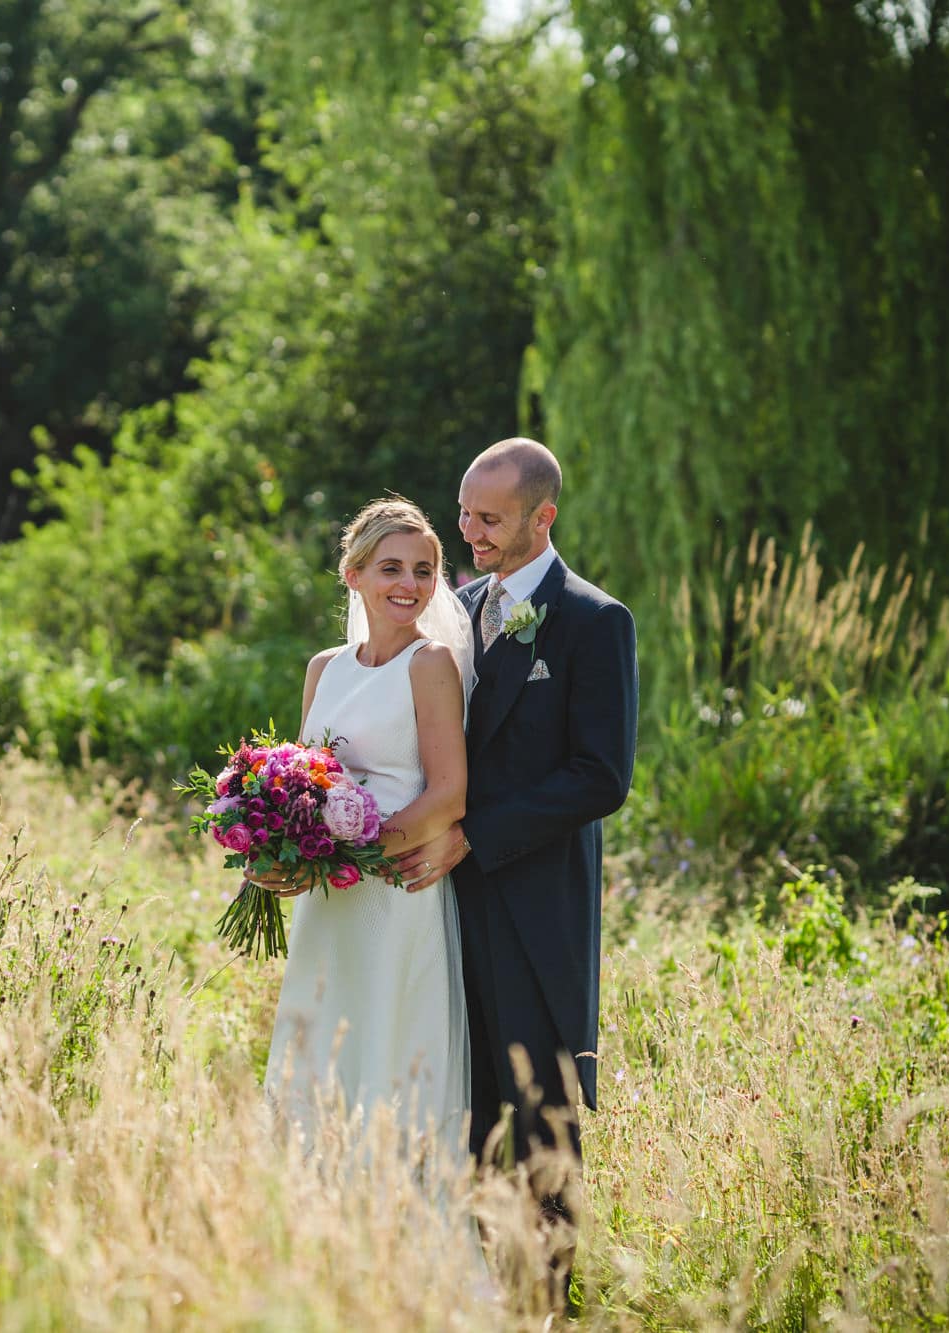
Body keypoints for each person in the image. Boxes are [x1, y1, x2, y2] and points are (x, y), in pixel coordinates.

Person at [398, 437, 639, 1313]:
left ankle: (546, 1304)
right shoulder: (450, 609)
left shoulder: (593, 620)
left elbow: (601, 775)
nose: (468, 533)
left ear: (544, 517)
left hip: (537, 910)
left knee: (541, 1116)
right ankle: (471, 1293)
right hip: (442, 906)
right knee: (463, 1106)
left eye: (489, 518)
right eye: (463, 512)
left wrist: (476, 834)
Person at [253, 497, 477, 1177]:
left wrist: (353, 851)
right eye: (391, 567)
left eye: (424, 569)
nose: (409, 584)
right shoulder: (325, 667)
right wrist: (274, 850)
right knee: (320, 1046)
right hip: (328, 904)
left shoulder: (429, 663)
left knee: (385, 1044)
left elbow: (449, 793)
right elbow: (300, 776)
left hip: (394, 893)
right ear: (352, 574)